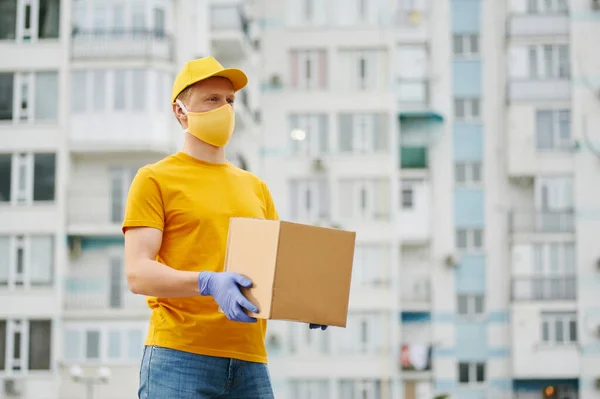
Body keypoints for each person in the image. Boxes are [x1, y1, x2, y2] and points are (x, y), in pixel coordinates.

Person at [122, 56, 327, 399]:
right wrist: (207, 282)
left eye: (230, 100)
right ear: (180, 111)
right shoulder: (155, 179)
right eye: (212, 100)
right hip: (179, 357)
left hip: (250, 363)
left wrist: (308, 297)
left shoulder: (255, 187)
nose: (225, 109)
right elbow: (137, 273)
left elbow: (275, 268)